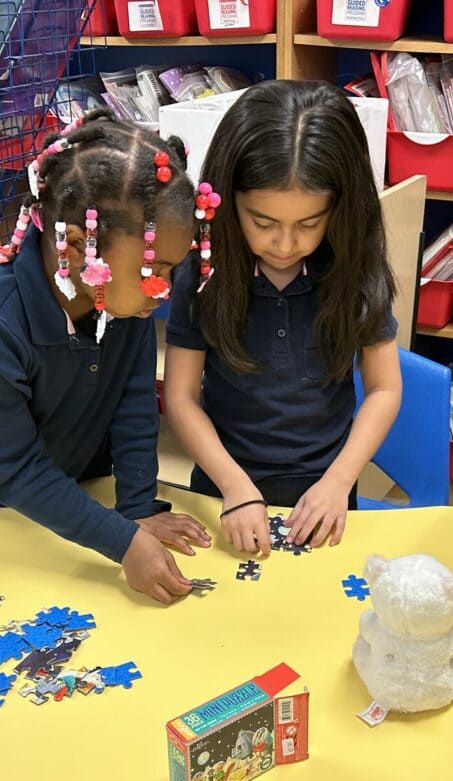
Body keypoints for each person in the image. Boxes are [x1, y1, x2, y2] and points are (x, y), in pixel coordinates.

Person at [0, 110, 210, 605]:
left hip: (76, 488)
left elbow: (134, 403)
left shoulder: (123, 298)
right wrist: (122, 541)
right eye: (156, 268)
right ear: (79, 245)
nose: (164, 288)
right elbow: (14, 470)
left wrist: (137, 508)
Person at [164, 80, 402, 556]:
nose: (285, 244)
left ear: (341, 210)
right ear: (227, 201)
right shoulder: (203, 268)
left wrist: (339, 481)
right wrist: (233, 486)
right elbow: (181, 395)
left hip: (326, 494)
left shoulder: (355, 269)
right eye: (263, 222)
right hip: (223, 487)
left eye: (310, 224)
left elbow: (384, 388)